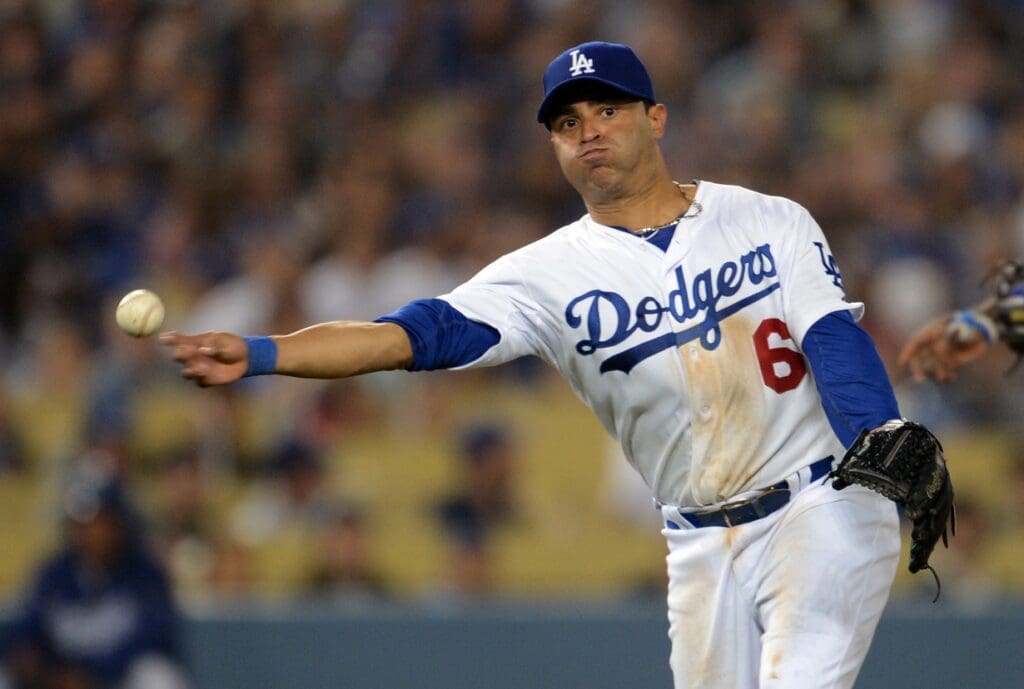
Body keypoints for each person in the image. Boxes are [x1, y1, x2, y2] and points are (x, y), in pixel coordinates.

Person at [162, 41, 926, 689]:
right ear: (554, 147)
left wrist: (879, 428)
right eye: (567, 122)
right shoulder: (545, 274)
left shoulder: (767, 218)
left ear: (656, 119)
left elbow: (831, 337)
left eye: (607, 110)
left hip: (822, 505)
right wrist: (267, 352)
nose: (587, 131)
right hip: (701, 544)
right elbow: (413, 336)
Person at [0, 466, 189, 689]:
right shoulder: (55, 573)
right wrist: (29, 655)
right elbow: (30, 626)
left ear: (119, 524)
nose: (92, 533)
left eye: (100, 522)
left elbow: (155, 638)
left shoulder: (144, 573)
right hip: (63, 680)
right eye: (84, 525)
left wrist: (93, 672)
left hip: (117, 678)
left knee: (158, 675)